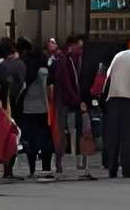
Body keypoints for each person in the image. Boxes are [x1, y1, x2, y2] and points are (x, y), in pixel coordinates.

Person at [101, 38, 130, 181]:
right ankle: (127, 169)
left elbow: (107, 78)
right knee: (128, 136)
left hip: (113, 99)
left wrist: (105, 98)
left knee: (113, 136)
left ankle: (112, 168)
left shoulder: (118, 56)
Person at [49, 42, 90, 181]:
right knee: (63, 131)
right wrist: (76, 100)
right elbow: (66, 83)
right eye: (79, 47)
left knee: (72, 130)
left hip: (70, 100)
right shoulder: (65, 61)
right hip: (65, 101)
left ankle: (72, 161)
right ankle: (61, 161)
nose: (81, 50)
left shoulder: (74, 60)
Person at [17, 46, 53, 182]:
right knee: (45, 139)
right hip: (42, 109)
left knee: (30, 141)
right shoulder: (43, 71)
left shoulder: (26, 71)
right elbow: (48, 90)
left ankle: (32, 169)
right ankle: (46, 167)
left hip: (27, 109)